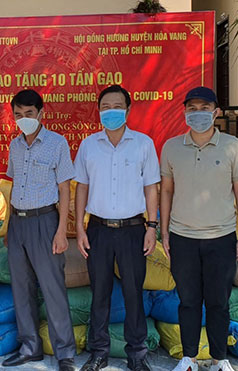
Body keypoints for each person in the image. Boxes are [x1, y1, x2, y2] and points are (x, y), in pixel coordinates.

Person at [161, 87, 238, 371]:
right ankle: (188, 358)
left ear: (216, 112)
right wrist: (164, 231)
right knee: (187, 301)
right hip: (182, 237)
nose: (198, 113)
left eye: (204, 107)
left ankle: (219, 358)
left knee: (218, 302)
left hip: (221, 237)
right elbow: (166, 192)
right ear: (185, 112)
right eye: (192, 108)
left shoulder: (232, 146)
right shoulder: (172, 147)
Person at [74, 85, 160, 371]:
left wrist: (152, 226)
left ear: (128, 109)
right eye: (106, 106)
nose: (111, 111)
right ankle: (99, 352)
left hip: (134, 229)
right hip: (98, 230)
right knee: (99, 292)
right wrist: (81, 229)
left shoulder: (143, 144)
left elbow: (151, 187)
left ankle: (137, 354)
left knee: (134, 292)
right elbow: (81, 188)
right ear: (99, 111)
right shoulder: (88, 145)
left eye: (117, 106)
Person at [1, 89, 77, 371]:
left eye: (29, 114)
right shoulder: (15, 146)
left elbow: (64, 188)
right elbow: (12, 187)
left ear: (41, 113)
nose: (24, 119)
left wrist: (60, 231)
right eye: (18, 115)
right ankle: (30, 348)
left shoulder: (57, 143)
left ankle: (65, 353)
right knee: (21, 288)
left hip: (45, 221)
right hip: (18, 223)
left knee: (52, 287)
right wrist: (8, 225)